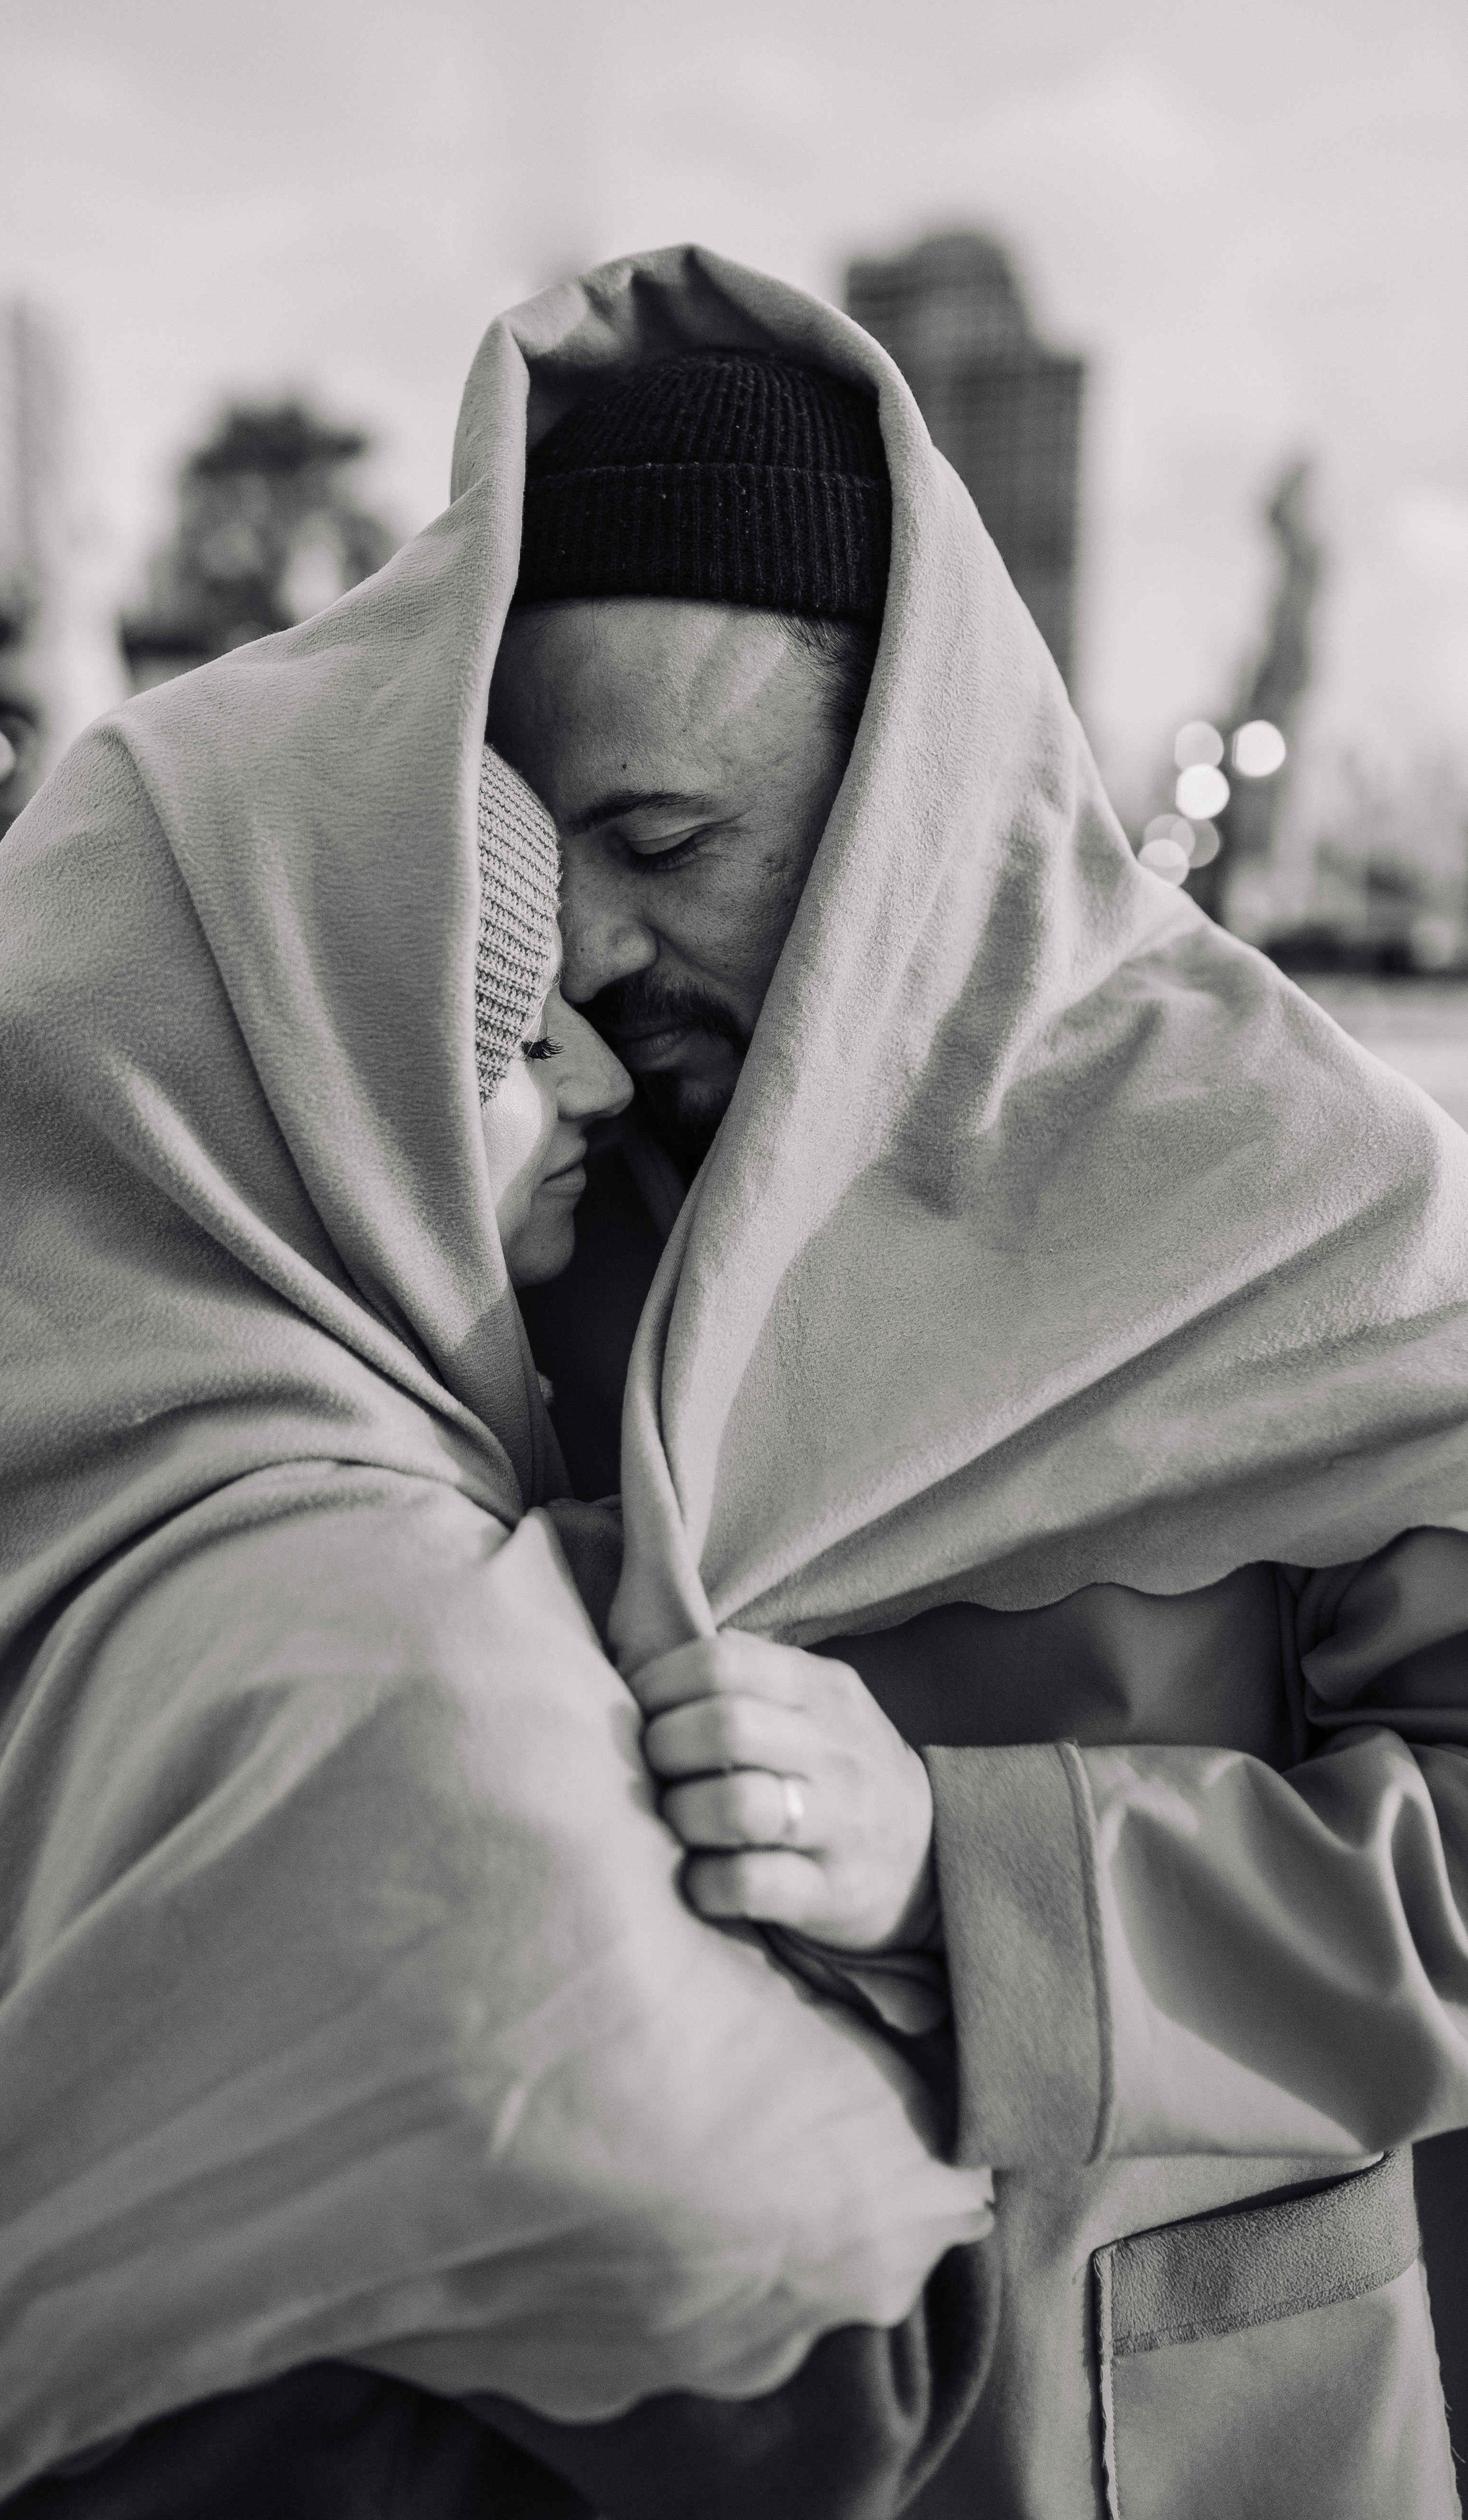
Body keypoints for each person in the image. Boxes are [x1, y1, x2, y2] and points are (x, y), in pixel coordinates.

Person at [0, 667, 992, 2520]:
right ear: (307, 1102)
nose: (593, 1067)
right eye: (505, 1041)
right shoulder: (398, 1644)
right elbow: (816, 2358)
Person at [488, 246, 1468, 2516]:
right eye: (547, 871)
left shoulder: (1316, 1194)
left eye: (666, 845)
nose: (598, 954)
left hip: (1168, 2427)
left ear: (915, 802)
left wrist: (966, 1862)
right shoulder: (527, 1190)